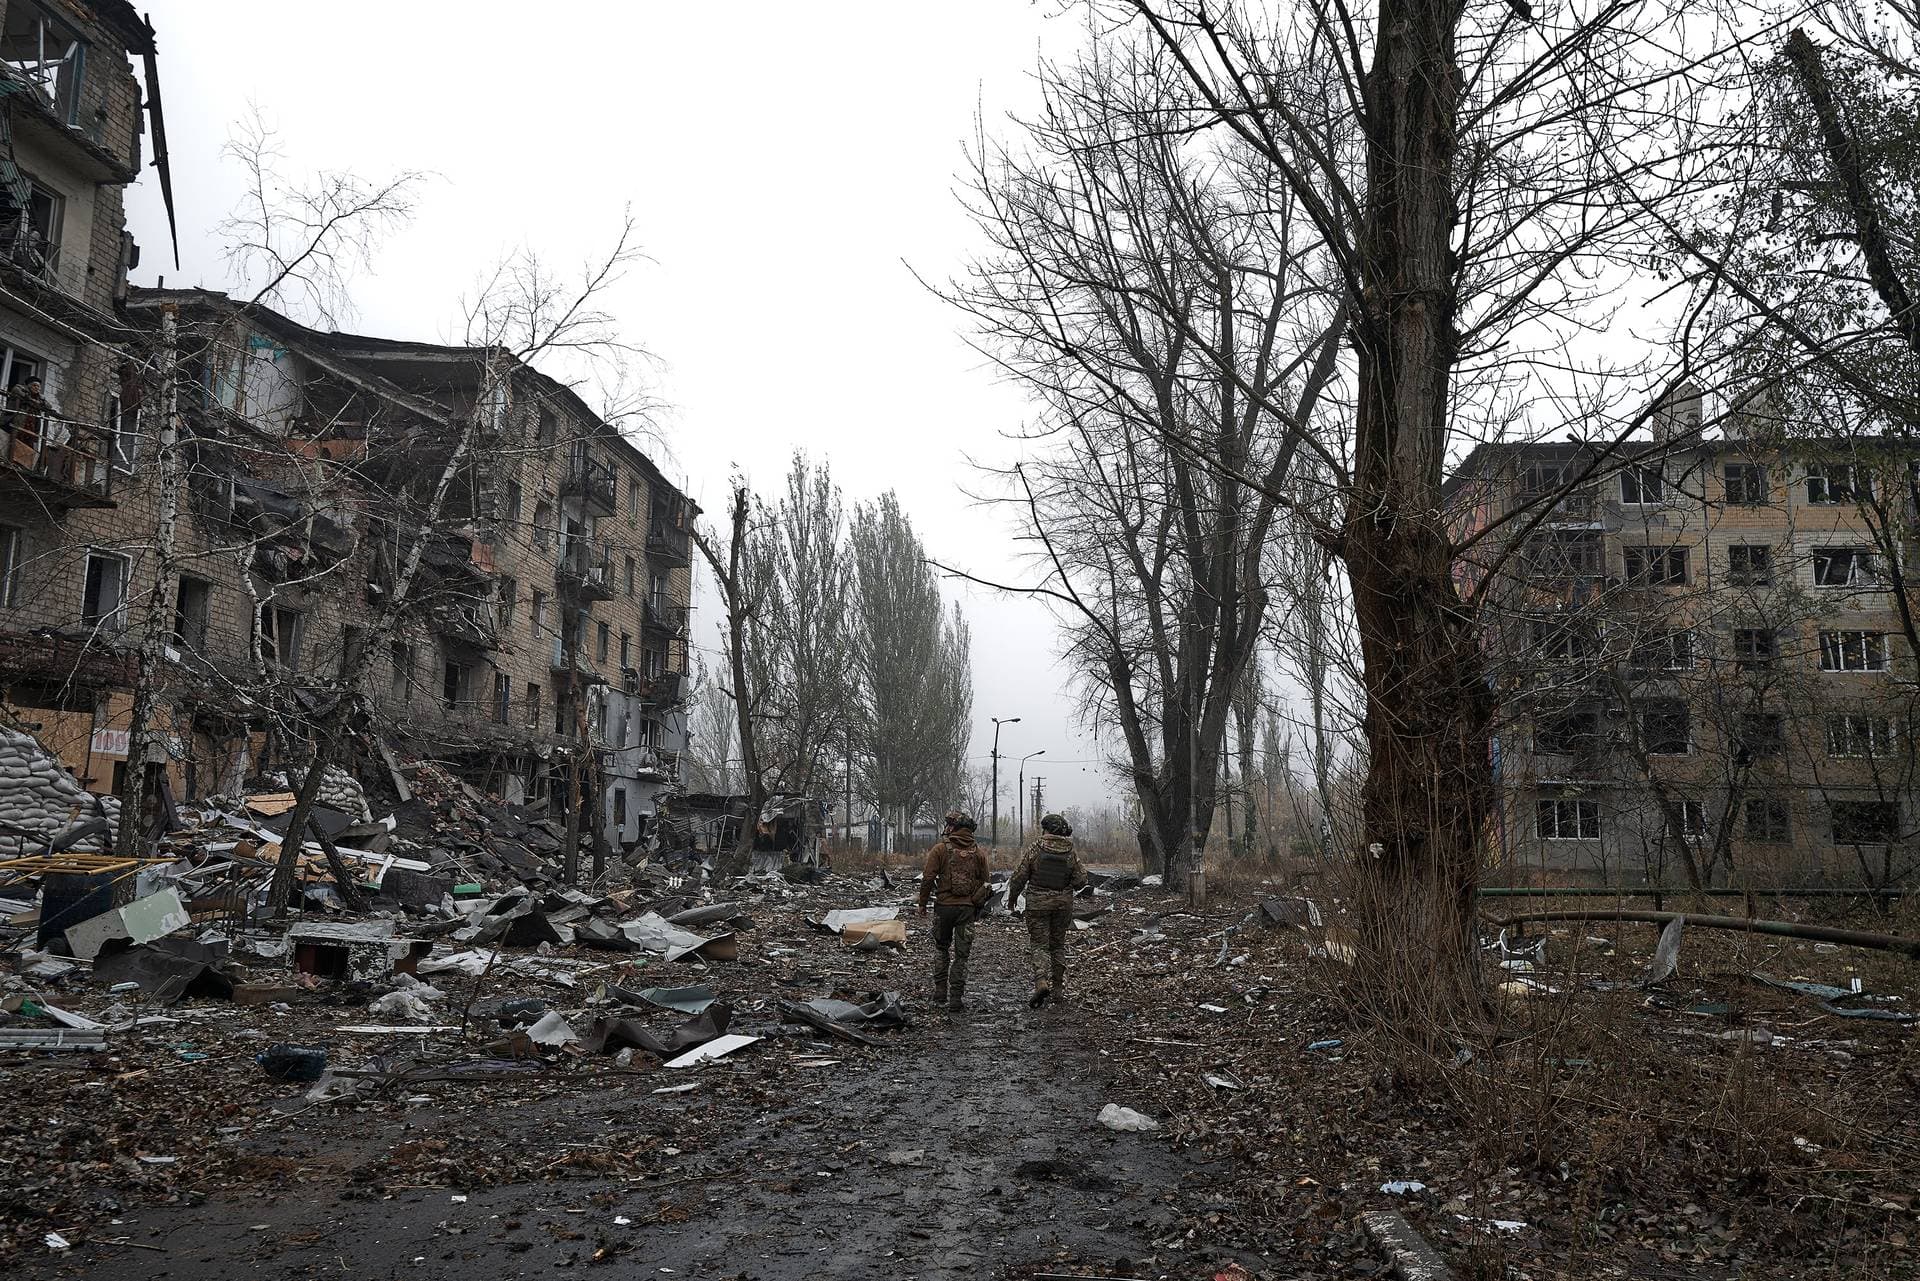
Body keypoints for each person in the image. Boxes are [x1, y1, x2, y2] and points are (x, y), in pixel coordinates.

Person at [1008, 812, 1088, 1008]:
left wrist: (1012, 900)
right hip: (1062, 905)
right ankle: (1058, 989)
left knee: (1039, 945)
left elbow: (1019, 876)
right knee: (1058, 945)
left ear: (1045, 829)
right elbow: (1081, 881)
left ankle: (1041, 982)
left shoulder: (1036, 847)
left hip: (1037, 904)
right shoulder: (1070, 851)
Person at [916, 809, 989, 1012]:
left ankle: (940, 991)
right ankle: (956, 998)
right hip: (966, 911)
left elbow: (928, 878)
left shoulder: (940, 850)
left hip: (944, 909)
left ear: (953, 828)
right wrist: (978, 906)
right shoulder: (979, 853)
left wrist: (922, 904)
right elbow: (986, 883)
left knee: (941, 948)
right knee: (962, 956)